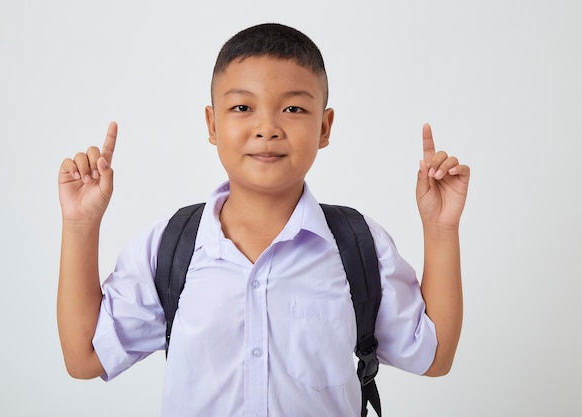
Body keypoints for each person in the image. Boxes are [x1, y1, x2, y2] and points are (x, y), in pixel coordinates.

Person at [57, 23, 470, 417]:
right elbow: (85, 357)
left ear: (324, 127)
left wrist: (441, 227)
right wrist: (80, 224)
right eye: (242, 107)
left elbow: (433, 356)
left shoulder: (357, 246)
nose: (267, 128)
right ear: (212, 124)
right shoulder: (171, 246)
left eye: (293, 108)